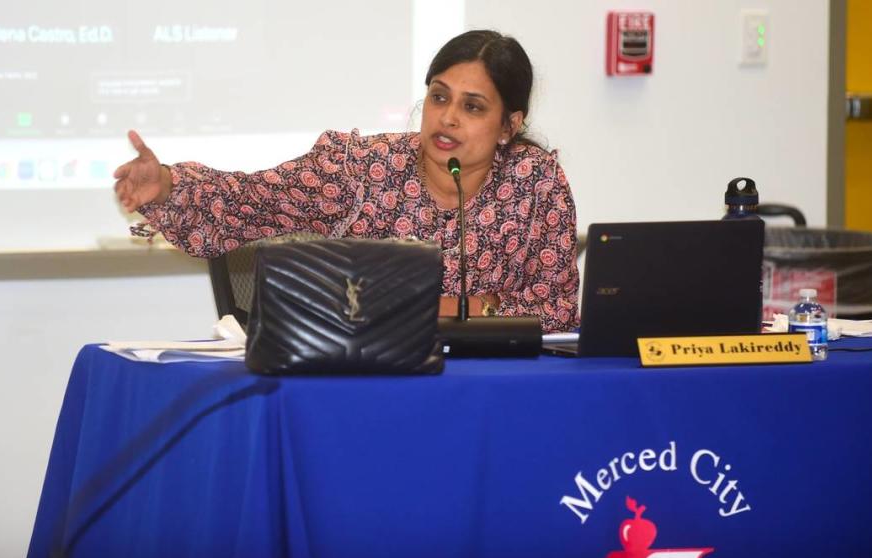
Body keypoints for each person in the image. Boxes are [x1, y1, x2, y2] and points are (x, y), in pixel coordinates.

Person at [114, 30, 579, 332]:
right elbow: (250, 200)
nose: (448, 118)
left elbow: (558, 314)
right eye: (439, 97)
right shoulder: (359, 169)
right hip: (371, 387)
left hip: (492, 392)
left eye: (472, 106)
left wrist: (444, 311)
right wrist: (170, 186)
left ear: (508, 126)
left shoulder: (535, 184)